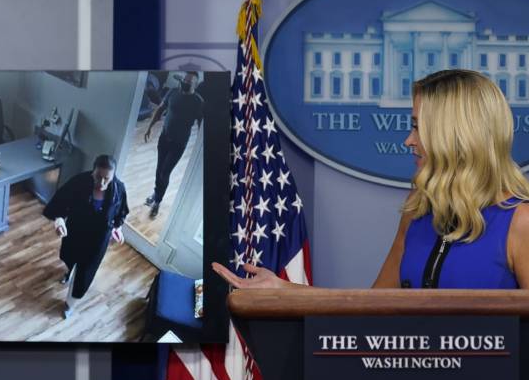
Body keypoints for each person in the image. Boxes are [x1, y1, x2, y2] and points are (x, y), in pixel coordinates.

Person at [212, 69, 529, 290]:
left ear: (455, 135)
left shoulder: (521, 221)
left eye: (418, 127)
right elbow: (376, 305)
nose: (408, 140)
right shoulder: (418, 209)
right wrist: (285, 291)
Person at [43, 154, 129, 318]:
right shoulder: (79, 182)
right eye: (98, 177)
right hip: (76, 231)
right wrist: (59, 220)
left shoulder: (119, 188)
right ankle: (69, 272)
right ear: (93, 171)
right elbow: (60, 202)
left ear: (113, 176)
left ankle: (70, 303)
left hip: (98, 239)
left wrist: (117, 228)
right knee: (70, 256)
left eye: (107, 179)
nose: (102, 183)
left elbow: (120, 212)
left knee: (85, 272)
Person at [143, 71, 204, 218]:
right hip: (164, 138)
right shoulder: (172, 93)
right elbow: (160, 110)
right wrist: (149, 127)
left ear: (195, 84)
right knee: (159, 170)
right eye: (185, 80)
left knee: (165, 172)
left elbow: (201, 125)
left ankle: (157, 201)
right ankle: (156, 193)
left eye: (189, 82)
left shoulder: (198, 102)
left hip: (179, 143)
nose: (185, 83)